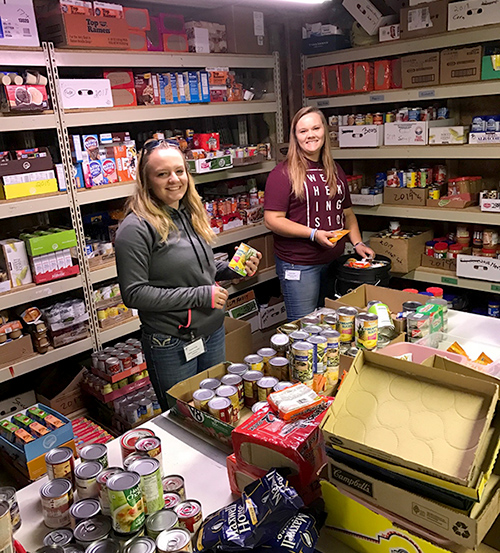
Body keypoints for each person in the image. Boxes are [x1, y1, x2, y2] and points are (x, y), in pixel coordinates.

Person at [115, 140, 261, 409]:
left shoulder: (189, 212)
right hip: (171, 340)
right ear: (146, 180)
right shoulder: (135, 229)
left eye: (179, 171)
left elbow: (199, 269)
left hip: (212, 330)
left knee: (216, 408)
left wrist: (232, 268)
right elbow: (134, 294)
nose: (174, 180)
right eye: (162, 174)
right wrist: (202, 295)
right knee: (183, 416)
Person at [264, 106, 374, 321]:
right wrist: (314, 233)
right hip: (300, 265)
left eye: (315, 128)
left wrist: (358, 243)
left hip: (333, 261)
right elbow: (272, 220)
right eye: (303, 131)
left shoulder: (334, 169)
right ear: (295, 136)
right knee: (304, 328)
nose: (310, 135)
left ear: (325, 130)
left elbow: (347, 214)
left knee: (330, 326)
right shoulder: (282, 173)